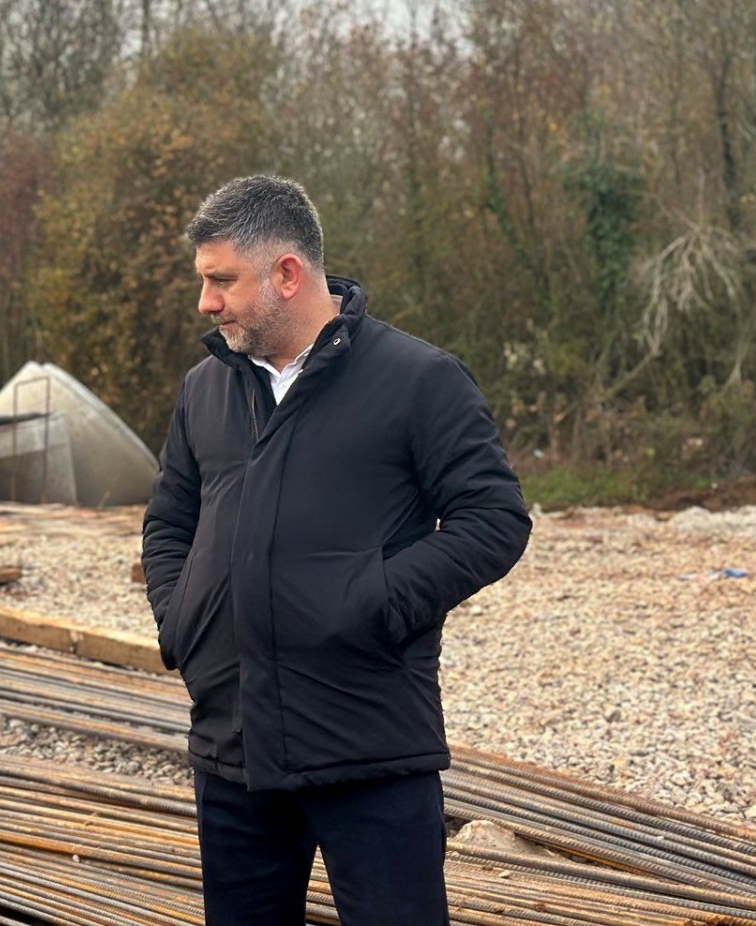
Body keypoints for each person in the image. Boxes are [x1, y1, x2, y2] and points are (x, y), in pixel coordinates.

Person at [142, 174, 531, 926]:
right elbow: (168, 524)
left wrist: (373, 602)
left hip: (369, 747)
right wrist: (180, 619)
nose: (205, 302)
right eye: (203, 281)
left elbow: (494, 519)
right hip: (234, 752)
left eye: (222, 280)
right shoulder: (204, 391)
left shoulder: (419, 380)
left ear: (287, 274)